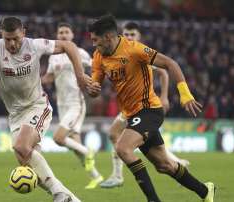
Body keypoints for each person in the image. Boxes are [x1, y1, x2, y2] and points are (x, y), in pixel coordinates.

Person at [80, 14, 215, 202]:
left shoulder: (134, 49)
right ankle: (205, 191)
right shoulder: (99, 56)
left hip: (149, 109)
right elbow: (95, 87)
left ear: (108, 37)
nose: (94, 44)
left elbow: (170, 63)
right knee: (164, 165)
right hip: (131, 114)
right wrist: (92, 88)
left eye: (96, 40)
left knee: (123, 148)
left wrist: (185, 94)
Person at [0, 16, 83, 202]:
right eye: (7, 39)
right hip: (15, 114)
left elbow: (69, 47)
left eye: (16, 39)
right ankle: (70, 198)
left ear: (24, 33)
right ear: (2, 36)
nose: (12, 43)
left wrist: (81, 77)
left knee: (21, 146)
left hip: (37, 106)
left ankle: (59, 194)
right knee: (27, 161)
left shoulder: (35, 45)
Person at [100, 21, 190, 188]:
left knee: (120, 137)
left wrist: (164, 97)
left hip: (144, 106)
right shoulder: (118, 51)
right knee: (116, 135)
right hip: (129, 107)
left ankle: (119, 175)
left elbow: (164, 71)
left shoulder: (140, 51)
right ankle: (174, 164)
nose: (129, 37)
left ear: (139, 36)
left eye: (132, 34)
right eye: (126, 34)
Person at [42, 22, 103, 189]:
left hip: (76, 104)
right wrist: (34, 82)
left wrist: (94, 83)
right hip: (62, 106)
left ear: (72, 35)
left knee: (58, 138)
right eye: (60, 32)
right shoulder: (53, 56)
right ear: (57, 35)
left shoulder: (79, 53)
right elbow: (49, 77)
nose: (63, 35)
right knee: (76, 145)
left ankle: (88, 152)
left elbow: (96, 68)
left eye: (66, 32)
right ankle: (96, 177)